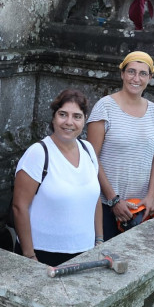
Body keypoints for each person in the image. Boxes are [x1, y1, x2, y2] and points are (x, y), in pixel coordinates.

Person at [11, 89, 103, 267]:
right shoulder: (38, 153)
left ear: (84, 120)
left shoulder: (88, 150)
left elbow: (95, 198)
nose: (69, 122)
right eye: (63, 114)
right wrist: (30, 257)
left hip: (85, 252)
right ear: (53, 117)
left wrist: (99, 240)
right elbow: (19, 207)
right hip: (44, 254)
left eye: (77, 116)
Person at [86, 51, 154, 241]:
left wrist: (151, 196)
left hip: (140, 208)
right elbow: (91, 157)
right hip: (105, 205)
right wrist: (114, 200)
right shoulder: (105, 107)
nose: (136, 78)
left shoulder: (152, 110)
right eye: (131, 72)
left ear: (150, 78)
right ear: (122, 74)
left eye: (143, 73)